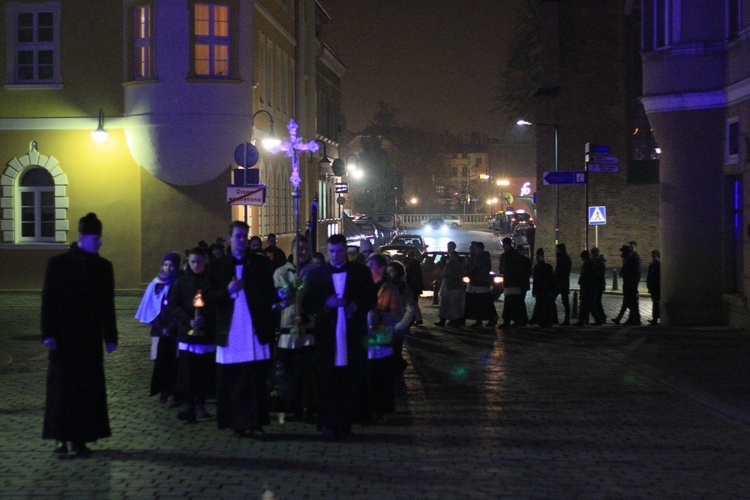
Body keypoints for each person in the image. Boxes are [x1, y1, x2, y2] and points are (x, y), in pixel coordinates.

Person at [41, 213, 118, 458]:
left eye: (100, 238)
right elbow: (48, 301)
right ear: (82, 238)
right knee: (63, 391)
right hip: (64, 339)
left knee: (88, 390)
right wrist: (48, 333)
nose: (100, 243)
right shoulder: (58, 264)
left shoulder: (104, 267)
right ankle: (61, 439)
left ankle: (82, 438)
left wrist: (111, 336)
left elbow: (108, 304)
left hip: (89, 339)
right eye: (96, 238)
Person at [204, 221, 277, 439]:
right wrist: (226, 291)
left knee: (255, 379)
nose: (241, 240)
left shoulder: (260, 264)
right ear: (229, 238)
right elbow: (207, 296)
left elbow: (270, 294)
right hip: (231, 330)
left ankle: (256, 423)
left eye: (244, 236)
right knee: (233, 380)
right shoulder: (217, 266)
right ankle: (237, 423)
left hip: (254, 329)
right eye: (237, 236)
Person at [301, 234, 376, 439]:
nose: (335, 255)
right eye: (332, 251)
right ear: (327, 251)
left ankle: (346, 422)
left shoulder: (360, 273)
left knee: (349, 379)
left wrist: (356, 305)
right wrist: (327, 304)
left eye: (340, 251)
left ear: (346, 251)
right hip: (327, 334)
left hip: (352, 332)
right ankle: (326, 423)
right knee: (327, 380)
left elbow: (370, 298)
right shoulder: (318, 274)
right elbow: (307, 303)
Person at [273, 235, 316, 422]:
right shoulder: (282, 272)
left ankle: (307, 407)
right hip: (288, 329)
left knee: (307, 373)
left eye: (306, 249)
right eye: (299, 249)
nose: (303, 252)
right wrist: (292, 284)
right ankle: (290, 406)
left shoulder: (315, 272)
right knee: (289, 374)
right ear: (292, 250)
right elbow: (282, 296)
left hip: (308, 329)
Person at [169, 247, 215, 423]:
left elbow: (215, 303)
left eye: (199, 262)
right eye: (193, 262)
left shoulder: (209, 281)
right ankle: (188, 404)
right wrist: (188, 321)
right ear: (188, 262)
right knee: (187, 371)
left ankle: (200, 404)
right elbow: (173, 304)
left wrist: (206, 319)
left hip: (205, 333)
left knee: (203, 371)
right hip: (187, 334)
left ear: (205, 261)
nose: (196, 265)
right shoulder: (181, 281)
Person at [135, 252, 182, 404]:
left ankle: (173, 391)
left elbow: (180, 307)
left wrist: (171, 327)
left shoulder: (179, 283)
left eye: (171, 265)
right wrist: (160, 327)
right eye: (166, 264)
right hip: (159, 330)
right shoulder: (155, 284)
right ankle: (163, 390)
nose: (168, 268)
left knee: (175, 361)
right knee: (161, 362)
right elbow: (149, 308)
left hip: (175, 330)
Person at [363, 254, 400, 423]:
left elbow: (396, 315)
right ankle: (370, 409)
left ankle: (383, 410)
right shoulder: (366, 286)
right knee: (369, 375)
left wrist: (380, 317)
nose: (369, 270)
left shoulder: (389, 289)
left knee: (383, 376)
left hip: (383, 337)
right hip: (367, 337)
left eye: (372, 266)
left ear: (381, 268)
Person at [385, 260, 416, 373]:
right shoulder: (384, 286)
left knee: (396, 349)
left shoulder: (403, 289)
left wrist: (401, 324)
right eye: (387, 271)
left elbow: (409, 308)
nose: (389, 274)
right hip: (384, 324)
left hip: (396, 324)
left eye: (392, 271)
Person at [464, 241, 498, 327]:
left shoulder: (484, 258)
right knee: (478, 303)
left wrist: (474, 271)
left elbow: (483, 269)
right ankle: (479, 320)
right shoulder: (475, 257)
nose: (474, 250)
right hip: (476, 282)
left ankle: (491, 318)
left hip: (482, 283)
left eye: (475, 248)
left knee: (485, 302)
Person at [499, 238, 531, 328]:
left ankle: (513, 320)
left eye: (504, 244)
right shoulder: (506, 255)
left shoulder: (513, 256)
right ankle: (513, 320)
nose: (503, 246)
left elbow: (519, 270)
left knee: (513, 302)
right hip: (510, 281)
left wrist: (507, 270)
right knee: (512, 302)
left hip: (514, 282)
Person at [435, 250, 466, 327]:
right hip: (448, 286)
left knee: (455, 305)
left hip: (456, 287)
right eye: (450, 257)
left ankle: (455, 321)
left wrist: (451, 275)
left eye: (453, 257)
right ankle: (443, 320)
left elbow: (461, 275)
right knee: (445, 304)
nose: (452, 258)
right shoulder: (448, 264)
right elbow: (443, 274)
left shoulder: (460, 265)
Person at [613, 245, 641, 325]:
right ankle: (623, 319)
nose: (621, 253)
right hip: (628, 284)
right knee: (629, 303)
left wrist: (632, 283)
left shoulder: (631, 259)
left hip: (630, 285)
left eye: (622, 251)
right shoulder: (626, 259)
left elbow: (635, 273)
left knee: (630, 303)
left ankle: (634, 319)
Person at [576, 250, 604, 326]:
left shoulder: (587, 265)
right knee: (587, 305)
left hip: (587, 287)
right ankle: (583, 321)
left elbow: (586, 276)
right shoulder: (591, 264)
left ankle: (596, 320)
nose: (582, 259)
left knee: (587, 305)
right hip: (589, 287)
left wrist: (581, 282)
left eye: (582, 258)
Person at [530, 248, 556, 328]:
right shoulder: (546, 267)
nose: (536, 258)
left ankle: (539, 320)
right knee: (543, 305)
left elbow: (537, 280)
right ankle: (543, 320)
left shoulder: (538, 267)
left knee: (542, 305)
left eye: (537, 256)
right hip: (543, 289)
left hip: (542, 289)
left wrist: (534, 291)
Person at [403, 250, 425, 326]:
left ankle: (416, 318)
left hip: (413, 287)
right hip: (412, 286)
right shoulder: (415, 264)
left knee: (413, 303)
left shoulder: (414, 265)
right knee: (413, 303)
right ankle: (416, 318)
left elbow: (417, 277)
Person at [553, 244, 572, 325]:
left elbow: (559, 272)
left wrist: (556, 281)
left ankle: (555, 318)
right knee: (565, 302)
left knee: (552, 300)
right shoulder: (567, 258)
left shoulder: (561, 258)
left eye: (557, 249)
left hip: (560, 283)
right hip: (564, 283)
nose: (556, 250)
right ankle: (566, 319)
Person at [590, 247, 608, 324]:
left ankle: (601, 317)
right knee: (597, 302)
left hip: (598, 285)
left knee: (596, 302)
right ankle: (601, 317)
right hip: (598, 284)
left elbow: (598, 273)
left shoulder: (599, 263)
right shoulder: (598, 262)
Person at [647, 249, 661, 325]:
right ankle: (655, 318)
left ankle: (656, 318)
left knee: (656, 303)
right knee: (655, 303)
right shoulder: (651, 265)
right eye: (652, 256)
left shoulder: (658, 264)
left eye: (654, 256)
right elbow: (649, 277)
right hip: (653, 287)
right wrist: (648, 286)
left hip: (657, 287)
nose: (653, 257)